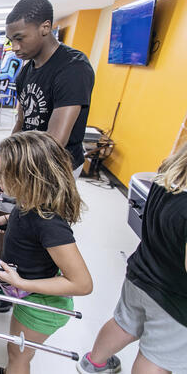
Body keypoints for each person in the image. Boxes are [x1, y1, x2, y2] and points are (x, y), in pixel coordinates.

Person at [0, 0, 95, 312]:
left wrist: (9, 167)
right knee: (4, 222)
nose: (15, 47)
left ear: (46, 27)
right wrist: (5, 162)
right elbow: (22, 122)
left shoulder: (72, 68)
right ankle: (1, 276)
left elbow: (54, 141)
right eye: (11, 40)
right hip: (23, 164)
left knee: (36, 232)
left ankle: (24, 288)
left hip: (54, 168)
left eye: (20, 38)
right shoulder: (26, 72)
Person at [0, 131, 93, 374]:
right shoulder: (29, 198)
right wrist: (9, 219)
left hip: (41, 304)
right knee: (16, 349)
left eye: (3, 173)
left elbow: (82, 284)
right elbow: (25, 219)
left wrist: (21, 281)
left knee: (17, 355)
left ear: (28, 177)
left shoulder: (49, 223)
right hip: (28, 293)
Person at [77, 144, 187, 374]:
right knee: (157, 356)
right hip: (175, 300)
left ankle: (94, 363)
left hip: (141, 273)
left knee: (123, 324)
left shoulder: (169, 175)